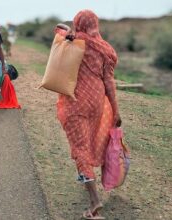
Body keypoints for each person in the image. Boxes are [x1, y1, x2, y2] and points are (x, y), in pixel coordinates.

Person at [55, 10, 121, 219]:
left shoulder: (73, 40)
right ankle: (86, 177)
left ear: (78, 24)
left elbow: (58, 29)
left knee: (80, 148)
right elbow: (109, 81)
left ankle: (94, 202)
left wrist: (70, 31)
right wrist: (116, 110)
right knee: (87, 142)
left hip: (75, 102)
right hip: (96, 101)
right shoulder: (105, 48)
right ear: (96, 24)